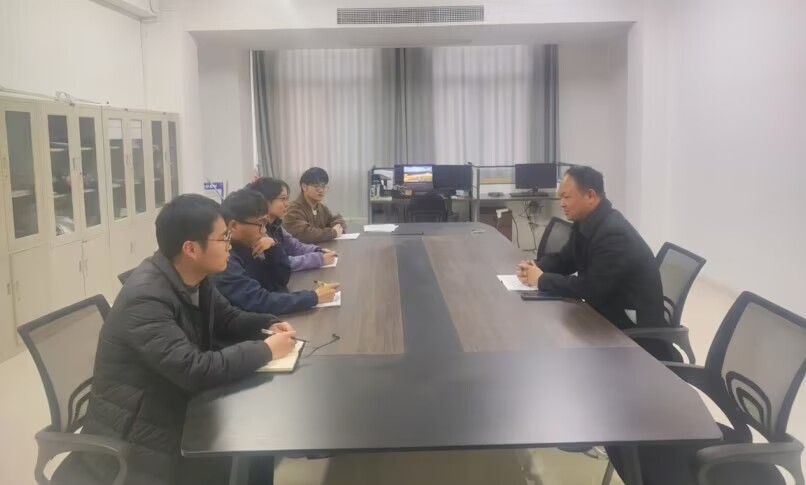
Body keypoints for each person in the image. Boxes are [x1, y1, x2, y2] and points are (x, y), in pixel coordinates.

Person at [52, 194, 297, 485]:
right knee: (247, 442)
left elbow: (229, 318)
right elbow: (195, 370)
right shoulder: (145, 299)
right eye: (223, 238)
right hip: (139, 437)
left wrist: (267, 324)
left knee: (255, 437)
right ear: (191, 248)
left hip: (173, 402)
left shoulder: (196, 277)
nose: (229, 245)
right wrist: (265, 351)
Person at [515, 166, 673, 360]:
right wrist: (537, 266)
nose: (562, 203)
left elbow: (590, 288)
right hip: (605, 315)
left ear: (590, 196)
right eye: (560, 198)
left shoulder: (614, 234)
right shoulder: (587, 222)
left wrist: (541, 280)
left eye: (566, 197)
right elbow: (566, 259)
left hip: (632, 333)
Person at [212, 189, 339, 315]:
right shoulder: (224, 258)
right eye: (260, 224)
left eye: (265, 224)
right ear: (234, 226)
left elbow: (278, 281)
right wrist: (313, 297)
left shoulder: (249, 244)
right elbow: (258, 301)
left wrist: (273, 248)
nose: (263, 231)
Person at [247, 177, 338, 292]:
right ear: (265, 201)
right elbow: (282, 263)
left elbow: (294, 246)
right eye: (283, 199)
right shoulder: (255, 230)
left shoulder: (275, 223)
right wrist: (318, 259)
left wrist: (318, 250)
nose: (287, 204)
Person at [283, 167, 347, 244]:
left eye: (324, 186)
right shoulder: (293, 209)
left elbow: (337, 219)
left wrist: (337, 227)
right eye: (317, 186)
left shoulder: (321, 207)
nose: (321, 190)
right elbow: (305, 234)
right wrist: (333, 232)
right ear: (304, 187)